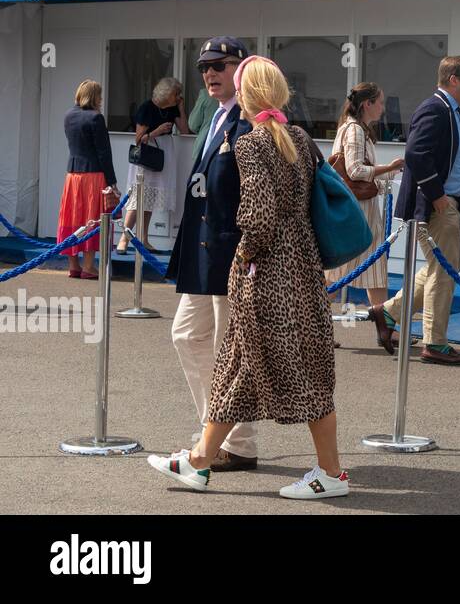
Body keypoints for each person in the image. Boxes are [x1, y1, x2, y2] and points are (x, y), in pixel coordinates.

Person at [149, 56, 348, 498]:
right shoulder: (297, 137)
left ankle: (331, 474)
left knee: (297, 374)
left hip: (267, 277)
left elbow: (258, 216)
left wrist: (242, 260)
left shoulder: (254, 143)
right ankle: (200, 460)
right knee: (238, 369)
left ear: (246, 93)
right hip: (303, 269)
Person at [367, 56, 460, 364]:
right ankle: (435, 342)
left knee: (439, 268)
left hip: (444, 204)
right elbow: (416, 154)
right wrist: (438, 195)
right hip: (438, 207)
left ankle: (387, 314)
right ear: (454, 79)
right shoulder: (435, 109)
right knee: (444, 271)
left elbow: (449, 160)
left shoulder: (449, 110)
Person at [164, 36, 259, 472]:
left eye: (220, 65)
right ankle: (218, 430)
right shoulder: (218, 117)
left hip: (232, 254)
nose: (210, 74)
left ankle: (235, 442)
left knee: (226, 350)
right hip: (204, 252)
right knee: (185, 334)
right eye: (205, 67)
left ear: (241, 68)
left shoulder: (251, 120)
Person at [328, 82, 405, 322]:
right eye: (379, 102)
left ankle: (384, 324)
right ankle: (384, 325)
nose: (383, 108)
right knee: (359, 269)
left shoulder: (352, 129)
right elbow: (356, 171)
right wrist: (390, 168)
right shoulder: (355, 131)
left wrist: (389, 175)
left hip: (356, 209)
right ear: (367, 104)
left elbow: (360, 178)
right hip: (358, 212)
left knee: (364, 269)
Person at [118, 76, 190, 254]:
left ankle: (143, 239)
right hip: (147, 153)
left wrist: (181, 109)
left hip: (162, 155)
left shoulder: (172, 108)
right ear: (167, 94)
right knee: (138, 198)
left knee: (150, 198)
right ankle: (123, 239)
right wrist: (156, 132)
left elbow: (184, 130)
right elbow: (138, 139)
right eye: (176, 94)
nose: (178, 96)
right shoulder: (147, 108)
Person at [58, 80, 121, 280]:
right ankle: (88, 266)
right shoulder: (96, 118)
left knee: (72, 218)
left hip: (72, 176)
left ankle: (74, 265)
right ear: (94, 97)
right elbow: (104, 153)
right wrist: (112, 181)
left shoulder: (68, 116)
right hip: (94, 176)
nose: (101, 100)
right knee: (92, 217)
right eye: (100, 96)